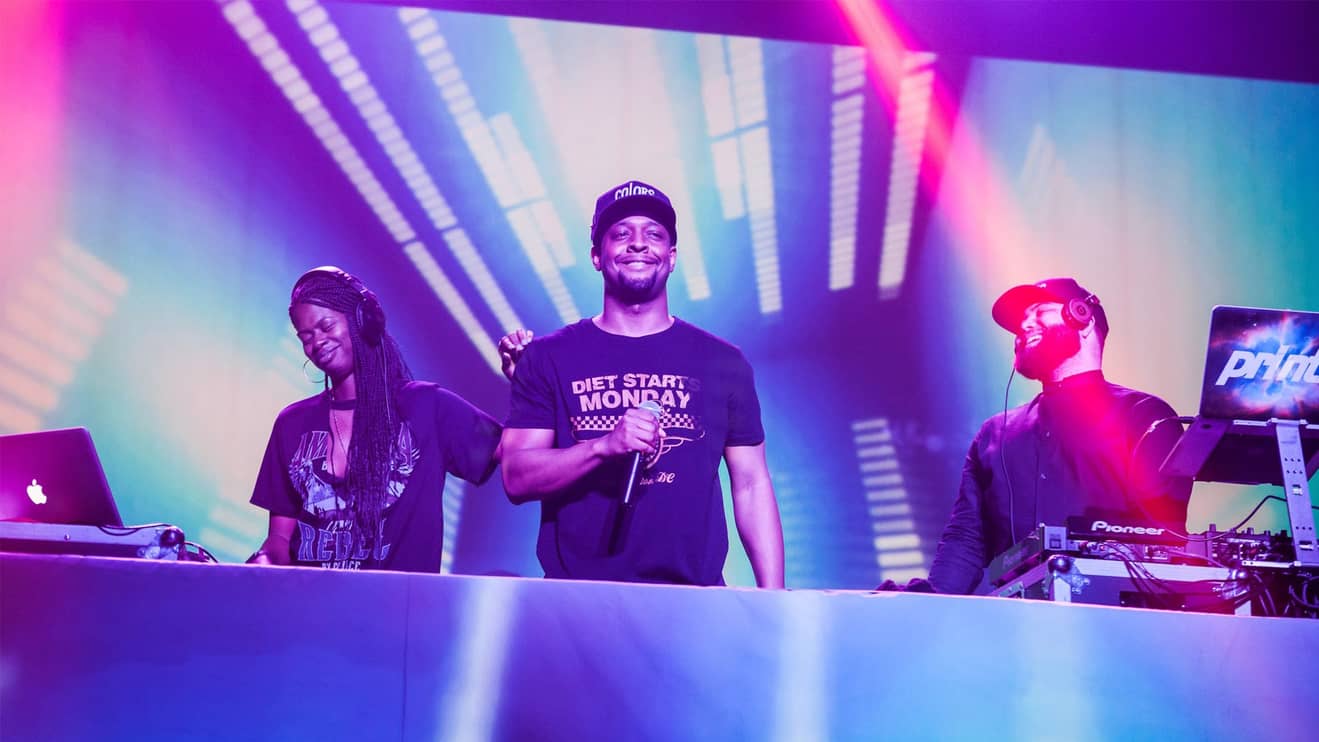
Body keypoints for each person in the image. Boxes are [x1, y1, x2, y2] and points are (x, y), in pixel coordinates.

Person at [498, 180, 785, 588]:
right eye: (621, 234)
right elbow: (517, 476)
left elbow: (752, 483)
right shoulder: (548, 358)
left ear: (672, 257)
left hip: (693, 599)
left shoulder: (723, 362)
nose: (638, 244)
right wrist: (602, 448)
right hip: (577, 597)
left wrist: (773, 597)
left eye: (654, 234)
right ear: (597, 257)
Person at [927, 277, 1192, 594]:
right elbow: (966, 538)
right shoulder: (994, 433)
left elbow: (1165, 536)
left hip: (1118, 612)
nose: (1024, 325)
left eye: (1039, 310)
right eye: (1021, 320)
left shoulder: (1145, 415)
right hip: (1012, 615)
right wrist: (930, 601)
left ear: (1082, 318)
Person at [248, 267, 502, 571]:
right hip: (311, 599)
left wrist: (527, 384)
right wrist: (265, 560)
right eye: (307, 336)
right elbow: (279, 536)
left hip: (400, 601)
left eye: (326, 326)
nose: (317, 342)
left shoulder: (425, 406)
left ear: (362, 320)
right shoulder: (292, 423)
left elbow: (513, 450)